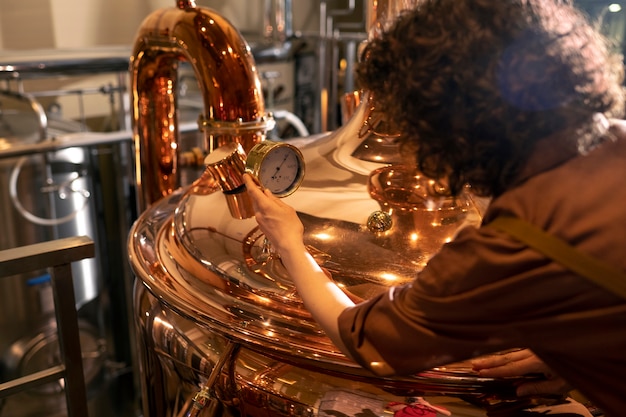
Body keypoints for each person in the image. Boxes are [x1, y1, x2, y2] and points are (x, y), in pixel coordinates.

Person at [243, 0, 626, 415]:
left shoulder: (518, 244)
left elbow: (365, 340)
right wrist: (582, 350)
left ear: (450, 126)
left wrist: (289, 242)